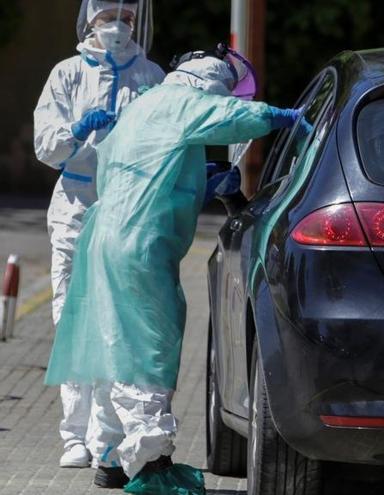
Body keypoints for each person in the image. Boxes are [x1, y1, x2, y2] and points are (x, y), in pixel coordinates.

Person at [44, 44, 302, 493]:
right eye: (222, 92)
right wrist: (283, 117)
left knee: (114, 348)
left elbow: (144, 175)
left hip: (106, 238)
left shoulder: (147, 104)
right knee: (149, 351)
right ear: (209, 82)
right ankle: (151, 471)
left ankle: (110, 459)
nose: (222, 101)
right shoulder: (184, 102)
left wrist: (197, 186)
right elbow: (233, 118)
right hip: (140, 248)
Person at [33, 0, 164, 469]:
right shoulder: (67, 73)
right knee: (71, 316)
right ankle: (74, 434)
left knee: (115, 322)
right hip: (75, 208)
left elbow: (165, 139)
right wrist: (76, 130)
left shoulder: (150, 77)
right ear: (90, 20)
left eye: (127, 18)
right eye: (109, 16)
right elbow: (45, 143)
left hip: (125, 209)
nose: (118, 26)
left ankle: (103, 433)